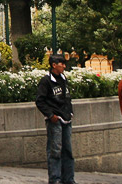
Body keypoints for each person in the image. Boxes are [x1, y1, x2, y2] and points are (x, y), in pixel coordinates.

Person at [35, 54, 75, 184]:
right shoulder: (46, 81)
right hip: (55, 120)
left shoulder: (64, 79)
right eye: (61, 63)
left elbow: (67, 98)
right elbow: (40, 101)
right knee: (55, 151)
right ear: (54, 65)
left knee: (67, 151)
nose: (64, 66)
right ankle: (55, 179)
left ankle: (69, 179)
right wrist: (51, 116)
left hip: (66, 119)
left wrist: (70, 112)